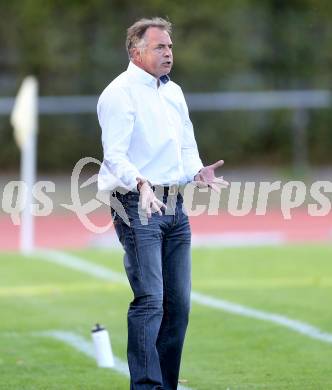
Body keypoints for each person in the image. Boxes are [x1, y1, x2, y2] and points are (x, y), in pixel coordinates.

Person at [97, 17, 228, 390]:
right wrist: (141, 182)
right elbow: (115, 156)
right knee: (150, 301)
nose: (168, 53)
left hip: (175, 207)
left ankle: (165, 384)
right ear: (136, 51)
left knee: (178, 306)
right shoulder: (118, 93)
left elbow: (185, 147)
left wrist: (197, 172)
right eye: (159, 46)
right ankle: (147, 386)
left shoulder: (174, 92)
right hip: (137, 204)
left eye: (169, 46)